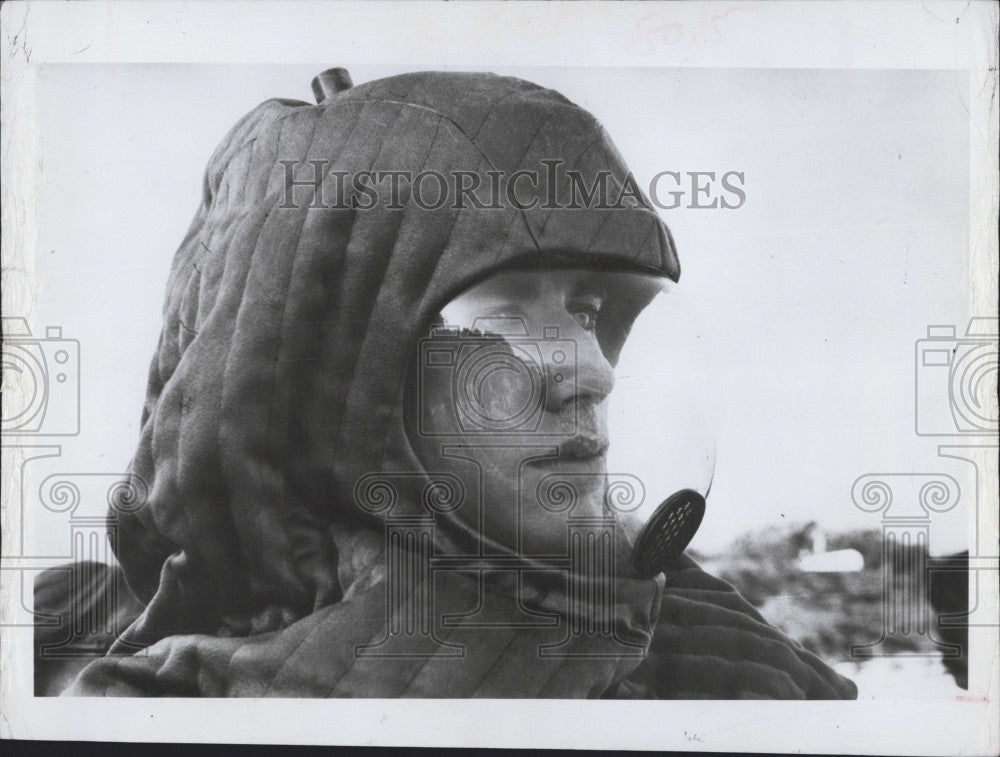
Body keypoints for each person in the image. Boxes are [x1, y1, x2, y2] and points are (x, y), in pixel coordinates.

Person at [35, 69, 857, 699]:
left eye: (588, 309)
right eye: (500, 319)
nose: (594, 370)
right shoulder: (141, 705)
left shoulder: (737, 658)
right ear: (327, 382)